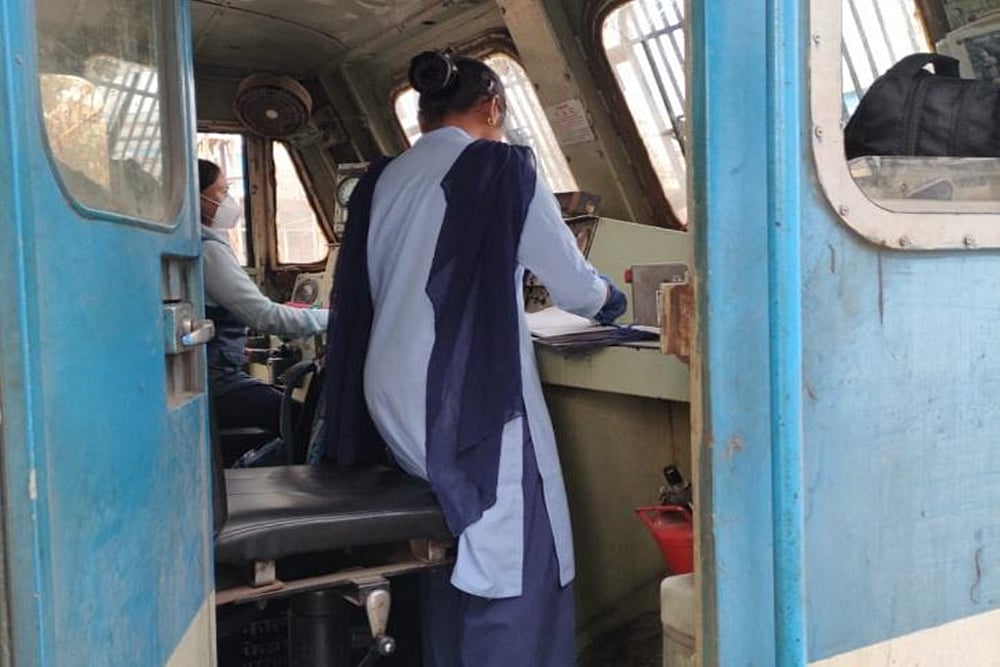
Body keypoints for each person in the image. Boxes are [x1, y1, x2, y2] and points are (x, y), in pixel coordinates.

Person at [320, 51, 627, 666]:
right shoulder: (501, 166)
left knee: (455, 545)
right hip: (458, 402)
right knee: (519, 549)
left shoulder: (384, 178)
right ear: (493, 108)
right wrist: (612, 300)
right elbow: (572, 285)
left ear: (424, 116)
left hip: (388, 401)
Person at [198, 159, 328, 459]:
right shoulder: (208, 252)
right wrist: (335, 318)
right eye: (221, 192)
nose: (228, 201)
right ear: (198, 197)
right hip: (218, 383)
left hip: (215, 375)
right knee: (302, 421)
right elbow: (266, 317)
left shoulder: (201, 244)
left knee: (287, 407)